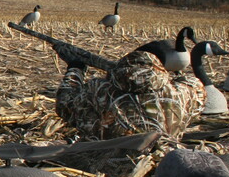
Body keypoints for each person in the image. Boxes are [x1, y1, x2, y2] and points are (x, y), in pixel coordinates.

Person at [55, 48, 205, 141]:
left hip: (107, 169)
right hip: (167, 162)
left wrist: (75, 68)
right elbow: (197, 87)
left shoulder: (99, 90)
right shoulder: (183, 92)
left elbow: (64, 105)